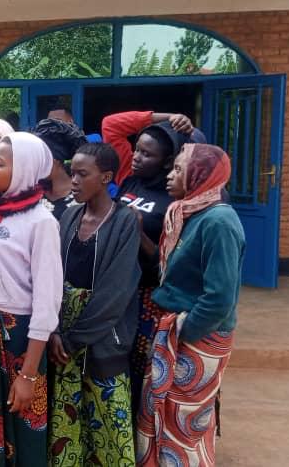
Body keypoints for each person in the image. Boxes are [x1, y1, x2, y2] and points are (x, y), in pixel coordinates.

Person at [136, 144, 244, 467]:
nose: (170, 176)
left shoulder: (219, 221)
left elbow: (219, 298)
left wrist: (183, 332)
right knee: (162, 409)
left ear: (200, 176)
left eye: (179, 170)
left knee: (184, 419)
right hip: (175, 328)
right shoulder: (186, 212)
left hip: (198, 336)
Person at [0, 132, 62, 466]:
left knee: (21, 419)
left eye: (0, 163)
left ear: (24, 171)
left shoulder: (41, 222)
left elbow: (47, 301)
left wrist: (28, 374)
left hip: (16, 337)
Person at [48, 143, 141, 466]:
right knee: (68, 422)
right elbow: (52, 276)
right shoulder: (69, 216)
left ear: (106, 177)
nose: (74, 180)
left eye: (82, 174)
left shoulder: (124, 222)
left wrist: (73, 339)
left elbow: (116, 290)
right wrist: (54, 330)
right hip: (63, 337)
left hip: (102, 337)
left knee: (109, 423)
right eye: (72, 172)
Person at [101, 110, 199, 414]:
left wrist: (140, 233)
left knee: (141, 366)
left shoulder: (177, 199)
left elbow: (171, 264)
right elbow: (111, 125)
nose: (137, 158)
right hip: (119, 289)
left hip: (148, 296)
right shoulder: (128, 178)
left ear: (168, 162)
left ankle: (140, 425)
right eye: (137, 150)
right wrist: (169, 117)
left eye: (147, 154)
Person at [33, 118, 88, 219]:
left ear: (54, 161)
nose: (33, 163)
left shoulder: (82, 198)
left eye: (38, 157)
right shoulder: (34, 192)